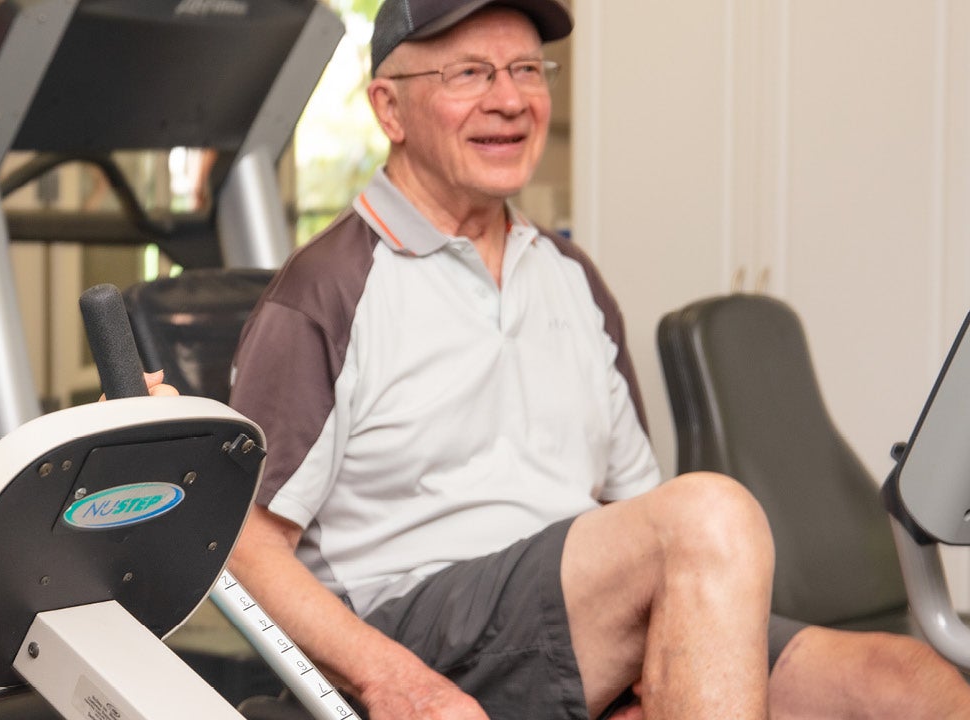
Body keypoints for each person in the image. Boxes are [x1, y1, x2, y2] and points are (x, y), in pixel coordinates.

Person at [224, 0, 970, 718]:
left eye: (527, 70)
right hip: (422, 627)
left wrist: (661, 658)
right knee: (711, 513)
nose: (511, 100)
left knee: (906, 684)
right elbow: (245, 547)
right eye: (470, 74)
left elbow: (632, 509)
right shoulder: (326, 289)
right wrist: (395, 684)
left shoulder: (569, 276)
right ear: (389, 109)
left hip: (577, 621)